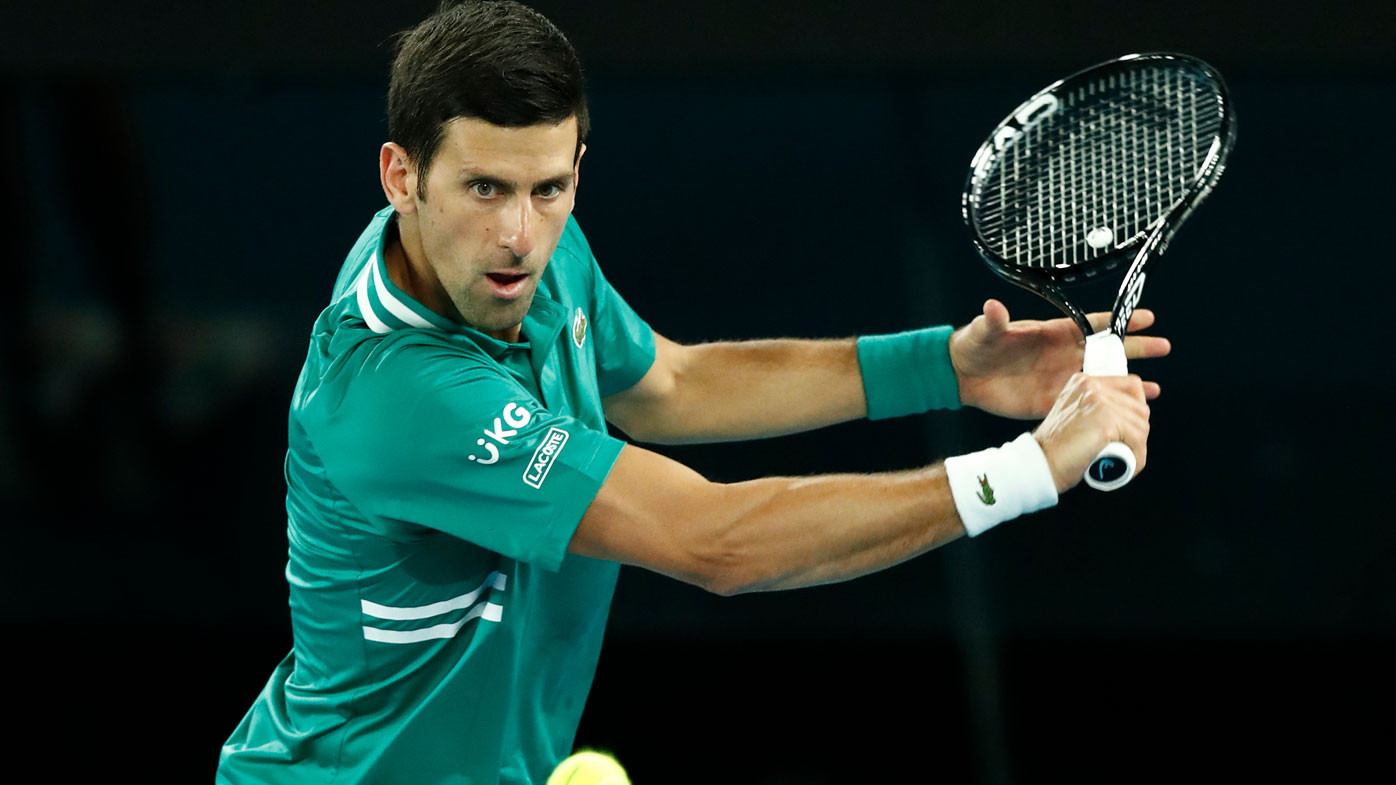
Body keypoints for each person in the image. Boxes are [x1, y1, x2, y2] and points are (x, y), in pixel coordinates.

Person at [216, 2, 1165, 783]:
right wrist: (1033, 468)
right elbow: (720, 544)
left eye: (548, 189)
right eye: (484, 189)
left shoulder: (515, 260)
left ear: (577, 167)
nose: (517, 234)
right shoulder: (400, 397)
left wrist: (943, 367)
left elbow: (667, 383)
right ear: (402, 177)